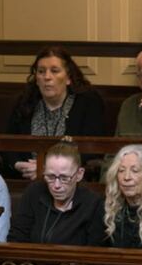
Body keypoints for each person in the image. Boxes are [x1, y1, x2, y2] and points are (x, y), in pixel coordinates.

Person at [6, 45, 106, 180]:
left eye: (54, 71)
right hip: (27, 178)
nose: (47, 77)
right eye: (41, 71)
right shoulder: (25, 102)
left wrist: (45, 168)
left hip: (70, 180)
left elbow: (92, 149)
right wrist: (18, 165)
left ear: (68, 77)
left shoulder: (88, 102)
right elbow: (8, 144)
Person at [7, 141, 104, 245]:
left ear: (79, 174)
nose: (56, 185)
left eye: (65, 178)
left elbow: (95, 251)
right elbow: (17, 238)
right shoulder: (34, 192)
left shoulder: (93, 204)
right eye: (51, 177)